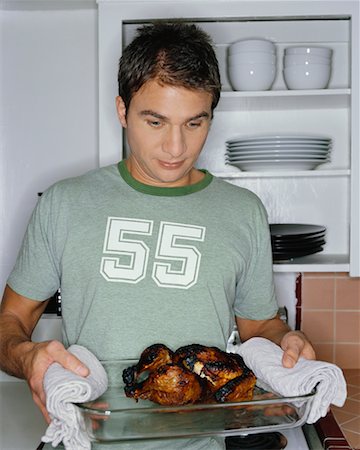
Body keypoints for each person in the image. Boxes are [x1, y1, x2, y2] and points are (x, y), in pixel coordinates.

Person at [0, 22, 315, 450]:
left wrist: (287, 342)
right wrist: (27, 355)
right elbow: (11, 324)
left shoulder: (243, 212)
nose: (175, 147)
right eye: (155, 121)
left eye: (194, 123)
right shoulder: (64, 204)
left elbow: (259, 324)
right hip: (87, 440)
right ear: (122, 110)